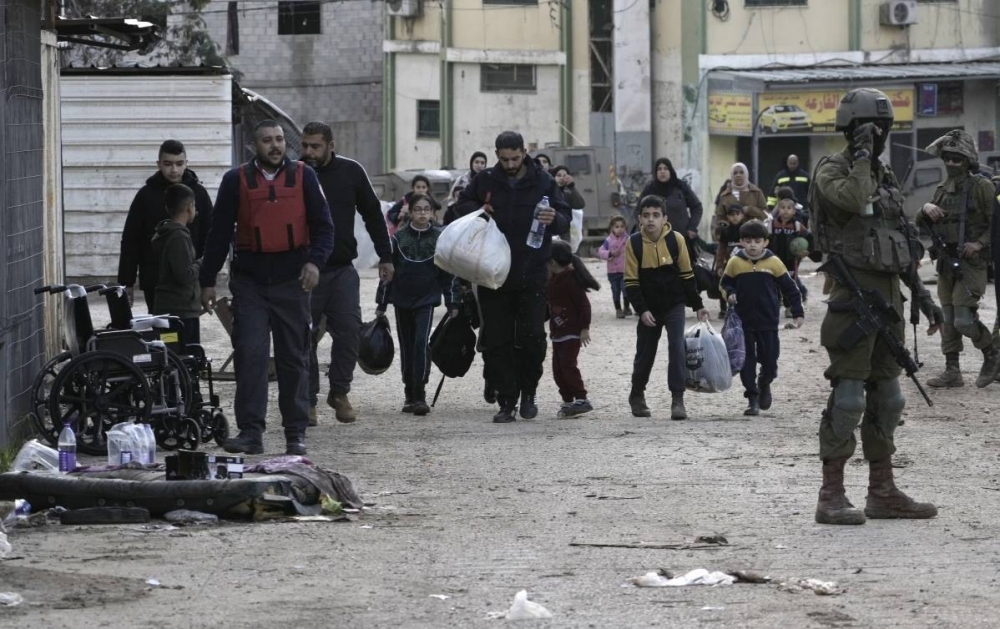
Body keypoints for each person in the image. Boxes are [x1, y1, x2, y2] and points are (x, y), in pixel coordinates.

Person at [811, 87, 937, 525]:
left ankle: (882, 492)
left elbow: (899, 241)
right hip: (852, 300)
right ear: (851, 129)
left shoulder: (884, 175)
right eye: (870, 128)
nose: (879, 135)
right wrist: (862, 156)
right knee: (849, 398)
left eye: (884, 128)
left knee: (890, 398)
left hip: (889, 300)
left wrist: (923, 297)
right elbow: (851, 199)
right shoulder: (833, 170)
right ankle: (831, 495)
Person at [200, 119, 335, 456]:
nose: (275, 145)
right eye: (267, 140)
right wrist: (207, 281)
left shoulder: (305, 176)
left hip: (292, 282)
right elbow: (218, 234)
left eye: (279, 139)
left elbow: (324, 227)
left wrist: (314, 263)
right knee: (250, 355)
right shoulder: (235, 180)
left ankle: (295, 434)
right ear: (254, 145)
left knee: (294, 359)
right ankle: (251, 433)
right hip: (250, 283)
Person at [455, 131, 571, 423]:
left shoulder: (543, 181)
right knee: (497, 339)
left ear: (524, 153)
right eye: (504, 159)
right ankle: (506, 400)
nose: (509, 164)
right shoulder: (485, 180)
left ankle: (528, 392)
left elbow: (565, 217)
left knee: (533, 337)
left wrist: (554, 219)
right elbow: (460, 207)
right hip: (493, 274)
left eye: (515, 158)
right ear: (496, 155)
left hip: (532, 272)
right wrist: (479, 210)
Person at [299, 121, 393, 425]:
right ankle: (307, 401)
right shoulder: (295, 174)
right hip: (304, 272)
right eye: (305, 145)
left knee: (350, 332)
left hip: (341, 269)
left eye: (315, 146)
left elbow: (373, 215)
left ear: (331, 145)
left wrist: (386, 256)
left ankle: (339, 392)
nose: (309, 152)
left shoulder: (351, 172)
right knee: (303, 337)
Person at [915, 129, 1000, 389]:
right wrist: (925, 208)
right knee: (949, 319)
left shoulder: (982, 187)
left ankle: (991, 354)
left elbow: (995, 223)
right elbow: (920, 222)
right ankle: (952, 371)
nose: (952, 163)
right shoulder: (943, 190)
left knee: (963, 319)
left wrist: (980, 243)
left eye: (957, 159)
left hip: (971, 263)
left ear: (968, 161)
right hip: (946, 262)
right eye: (948, 158)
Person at [625, 195, 710, 420]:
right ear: (640, 219)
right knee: (645, 352)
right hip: (649, 309)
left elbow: (687, 275)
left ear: (665, 218)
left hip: (674, 305)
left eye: (656, 215)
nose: (651, 220)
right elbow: (631, 282)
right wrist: (642, 310)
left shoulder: (676, 240)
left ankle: (677, 399)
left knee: (677, 348)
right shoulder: (634, 243)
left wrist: (698, 305)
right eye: (646, 215)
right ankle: (637, 394)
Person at [375, 194, 460, 416]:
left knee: (421, 343)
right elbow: (387, 273)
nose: (422, 213)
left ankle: (420, 393)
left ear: (432, 212)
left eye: (426, 209)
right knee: (407, 345)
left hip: (426, 299)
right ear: (410, 212)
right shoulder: (398, 239)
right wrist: (382, 302)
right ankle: (409, 393)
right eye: (418, 209)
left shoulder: (440, 238)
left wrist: (452, 301)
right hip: (402, 299)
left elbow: (448, 273)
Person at [720, 219, 804, 416]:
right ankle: (752, 398)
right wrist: (730, 293)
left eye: (757, 241)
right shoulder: (735, 263)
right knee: (747, 362)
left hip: (768, 322)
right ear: (741, 241)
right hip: (744, 322)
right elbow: (724, 284)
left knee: (770, 361)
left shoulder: (774, 263)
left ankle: (764, 382)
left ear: (765, 242)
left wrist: (797, 312)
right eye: (748, 241)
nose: (752, 245)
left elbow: (790, 288)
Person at [118, 139, 213, 311]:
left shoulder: (198, 194)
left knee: (188, 324)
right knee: (161, 326)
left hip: (190, 280)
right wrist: (126, 282)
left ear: (186, 163)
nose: (174, 170)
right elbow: (131, 240)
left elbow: (209, 237)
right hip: (155, 281)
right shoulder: (146, 195)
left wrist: (208, 281)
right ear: (159, 164)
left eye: (179, 164)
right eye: (168, 164)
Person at [547, 240, 600, 418]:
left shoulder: (570, 280)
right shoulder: (552, 279)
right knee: (558, 369)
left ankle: (581, 398)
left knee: (568, 366)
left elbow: (584, 306)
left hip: (571, 333)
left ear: (552, 262)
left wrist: (584, 328)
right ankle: (568, 400)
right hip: (557, 333)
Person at [150, 184, 202, 346]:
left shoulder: (165, 233)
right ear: (190, 207)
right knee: (185, 355)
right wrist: (202, 263)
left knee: (170, 352)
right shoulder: (178, 236)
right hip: (180, 313)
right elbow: (184, 275)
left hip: (168, 310)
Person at [639, 158, 703, 248]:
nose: (662, 172)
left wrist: (692, 227)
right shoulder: (649, 189)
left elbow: (697, 207)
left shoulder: (681, 187)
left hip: (681, 240)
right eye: (659, 169)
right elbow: (638, 210)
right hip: (655, 242)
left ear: (670, 171)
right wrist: (644, 227)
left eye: (665, 168)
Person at [770, 192, 812, 311]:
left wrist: (808, 250)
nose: (785, 210)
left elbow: (810, 238)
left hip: (791, 260)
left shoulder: (797, 225)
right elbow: (766, 240)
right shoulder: (772, 224)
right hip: (774, 259)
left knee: (790, 283)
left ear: (794, 211)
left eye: (789, 208)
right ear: (778, 210)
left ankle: (789, 307)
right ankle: (774, 306)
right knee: (773, 282)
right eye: (783, 208)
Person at [713, 163, 768, 239]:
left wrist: (750, 209)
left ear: (746, 174)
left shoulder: (756, 192)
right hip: (731, 237)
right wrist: (725, 225)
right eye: (735, 173)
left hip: (753, 236)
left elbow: (765, 215)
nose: (738, 175)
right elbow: (719, 217)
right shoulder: (725, 195)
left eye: (741, 172)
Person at [714, 204, 746, 318]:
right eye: (732, 215)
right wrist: (719, 266)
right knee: (724, 285)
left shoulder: (747, 230)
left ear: (742, 215)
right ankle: (723, 309)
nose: (735, 217)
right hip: (729, 264)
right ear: (727, 216)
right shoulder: (725, 231)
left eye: (737, 214)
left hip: (745, 265)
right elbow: (721, 250)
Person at [598, 214, 631, 318]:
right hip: (612, 272)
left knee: (626, 289)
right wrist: (610, 253)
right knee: (616, 291)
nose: (620, 229)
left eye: (622, 226)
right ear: (612, 228)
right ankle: (618, 309)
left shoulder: (628, 239)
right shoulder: (608, 240)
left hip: (625, 270)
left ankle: (626, 308)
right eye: (617, 227)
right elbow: (601, 252)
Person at [767, 154, 811, 219]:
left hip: (802, 209)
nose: (792, 166)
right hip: (784, 209)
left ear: (798, 163)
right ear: (787, 163)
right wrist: (770, 207)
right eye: (790, 163)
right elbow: (772, 194)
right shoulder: (780, 176)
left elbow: (811, 193)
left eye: (794, 163)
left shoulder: (805, 176)